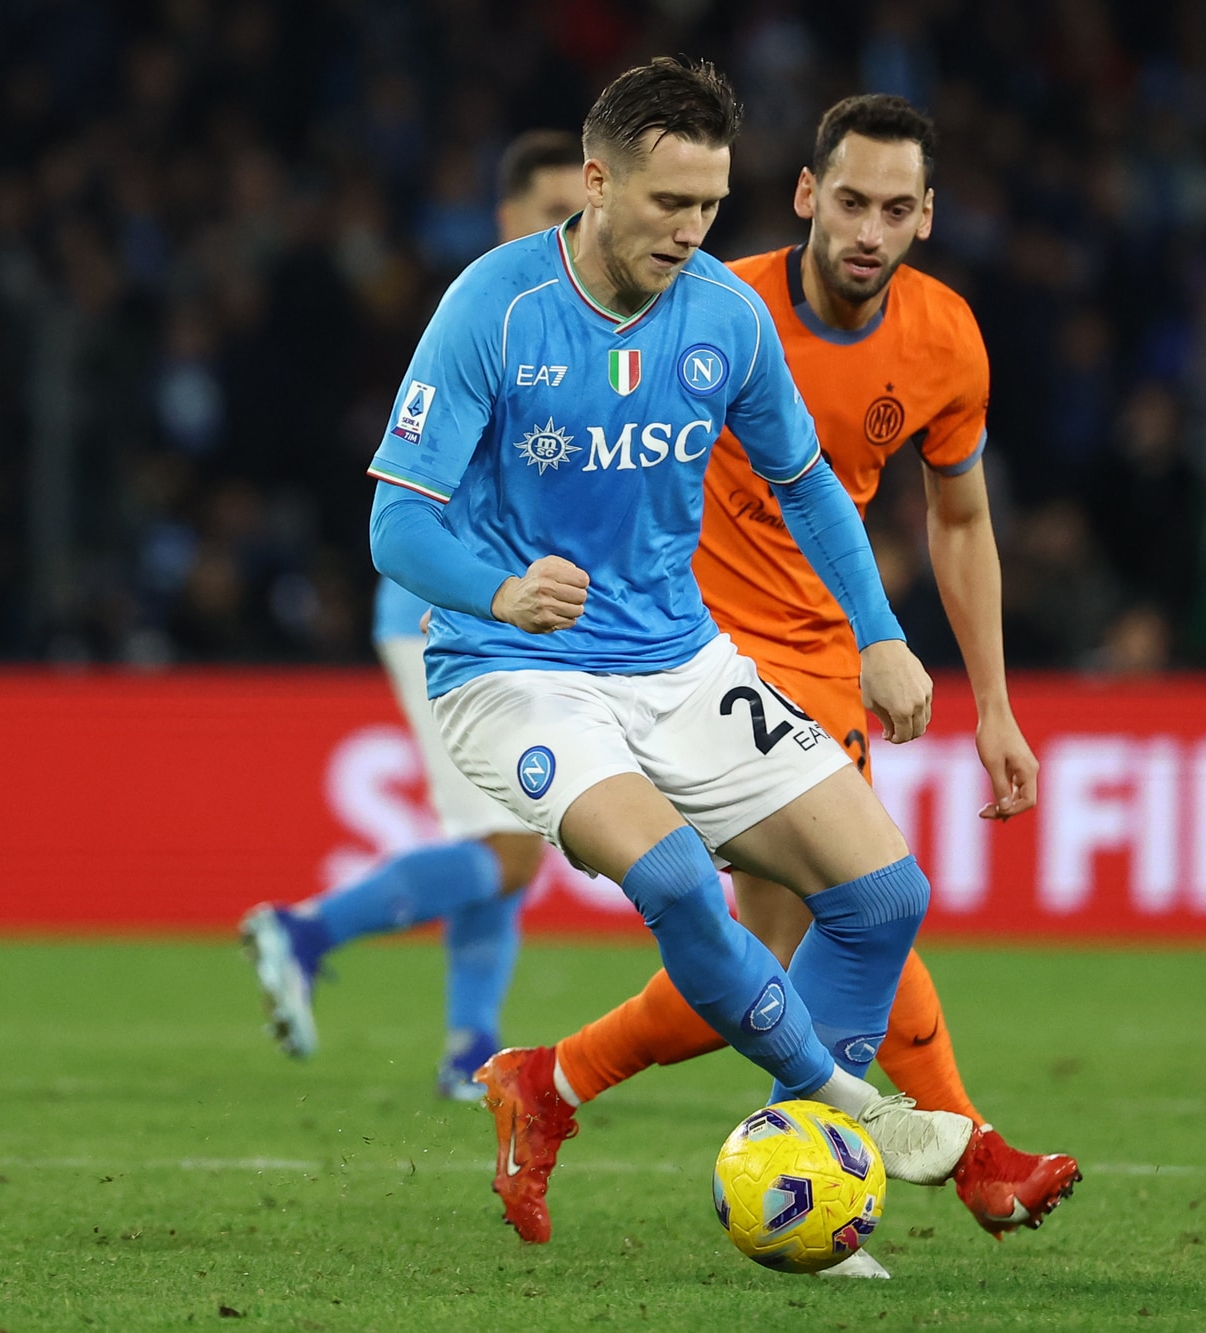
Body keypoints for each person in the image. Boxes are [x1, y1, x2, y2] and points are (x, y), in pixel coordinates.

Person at [365, 57, 981, 1248]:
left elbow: (807, 484)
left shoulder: (722, 315)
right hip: (513, 672)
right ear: (596, 182)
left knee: (883, 895)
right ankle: (849, 1109)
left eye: (708, 205)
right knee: (680, 883)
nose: (690, 231)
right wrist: (500, 590)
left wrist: (881, 634)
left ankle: (777, 1166)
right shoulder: (494, 306)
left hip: (680, 662)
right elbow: (397, 524)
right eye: (667, 203)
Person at [487, 95, 1080, 1259]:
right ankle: (959, 1154)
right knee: (855, 909)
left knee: (810, 934)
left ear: (926, 217)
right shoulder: (708, 302)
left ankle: (553, 1082)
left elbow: (960, 519)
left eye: (895, 209)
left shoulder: (944, 339)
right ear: (807, 195)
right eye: (848, 200)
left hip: (822, 654)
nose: (868, 229)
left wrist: (993, 705)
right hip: (693, 651)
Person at [239, 131, 587, 1099]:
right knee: (511, 845)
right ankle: (305, 931)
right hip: (447, 610)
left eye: (585, 210)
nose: (576, 230)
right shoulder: (486, 319)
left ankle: (469, 1049)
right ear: (506, 219)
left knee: (505, 838)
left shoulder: (575, 327)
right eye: (553, 211)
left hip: (508, 613)